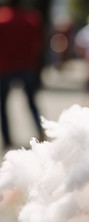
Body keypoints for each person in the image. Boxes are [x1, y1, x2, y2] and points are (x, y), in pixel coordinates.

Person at [0, 0, 44, 149]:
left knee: (3, 105)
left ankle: (7, 138)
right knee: (31, 102)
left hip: (4, 67)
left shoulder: (2, 19)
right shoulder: (32, 19)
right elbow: (37, 44)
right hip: (26, 66)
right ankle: (39, 130)